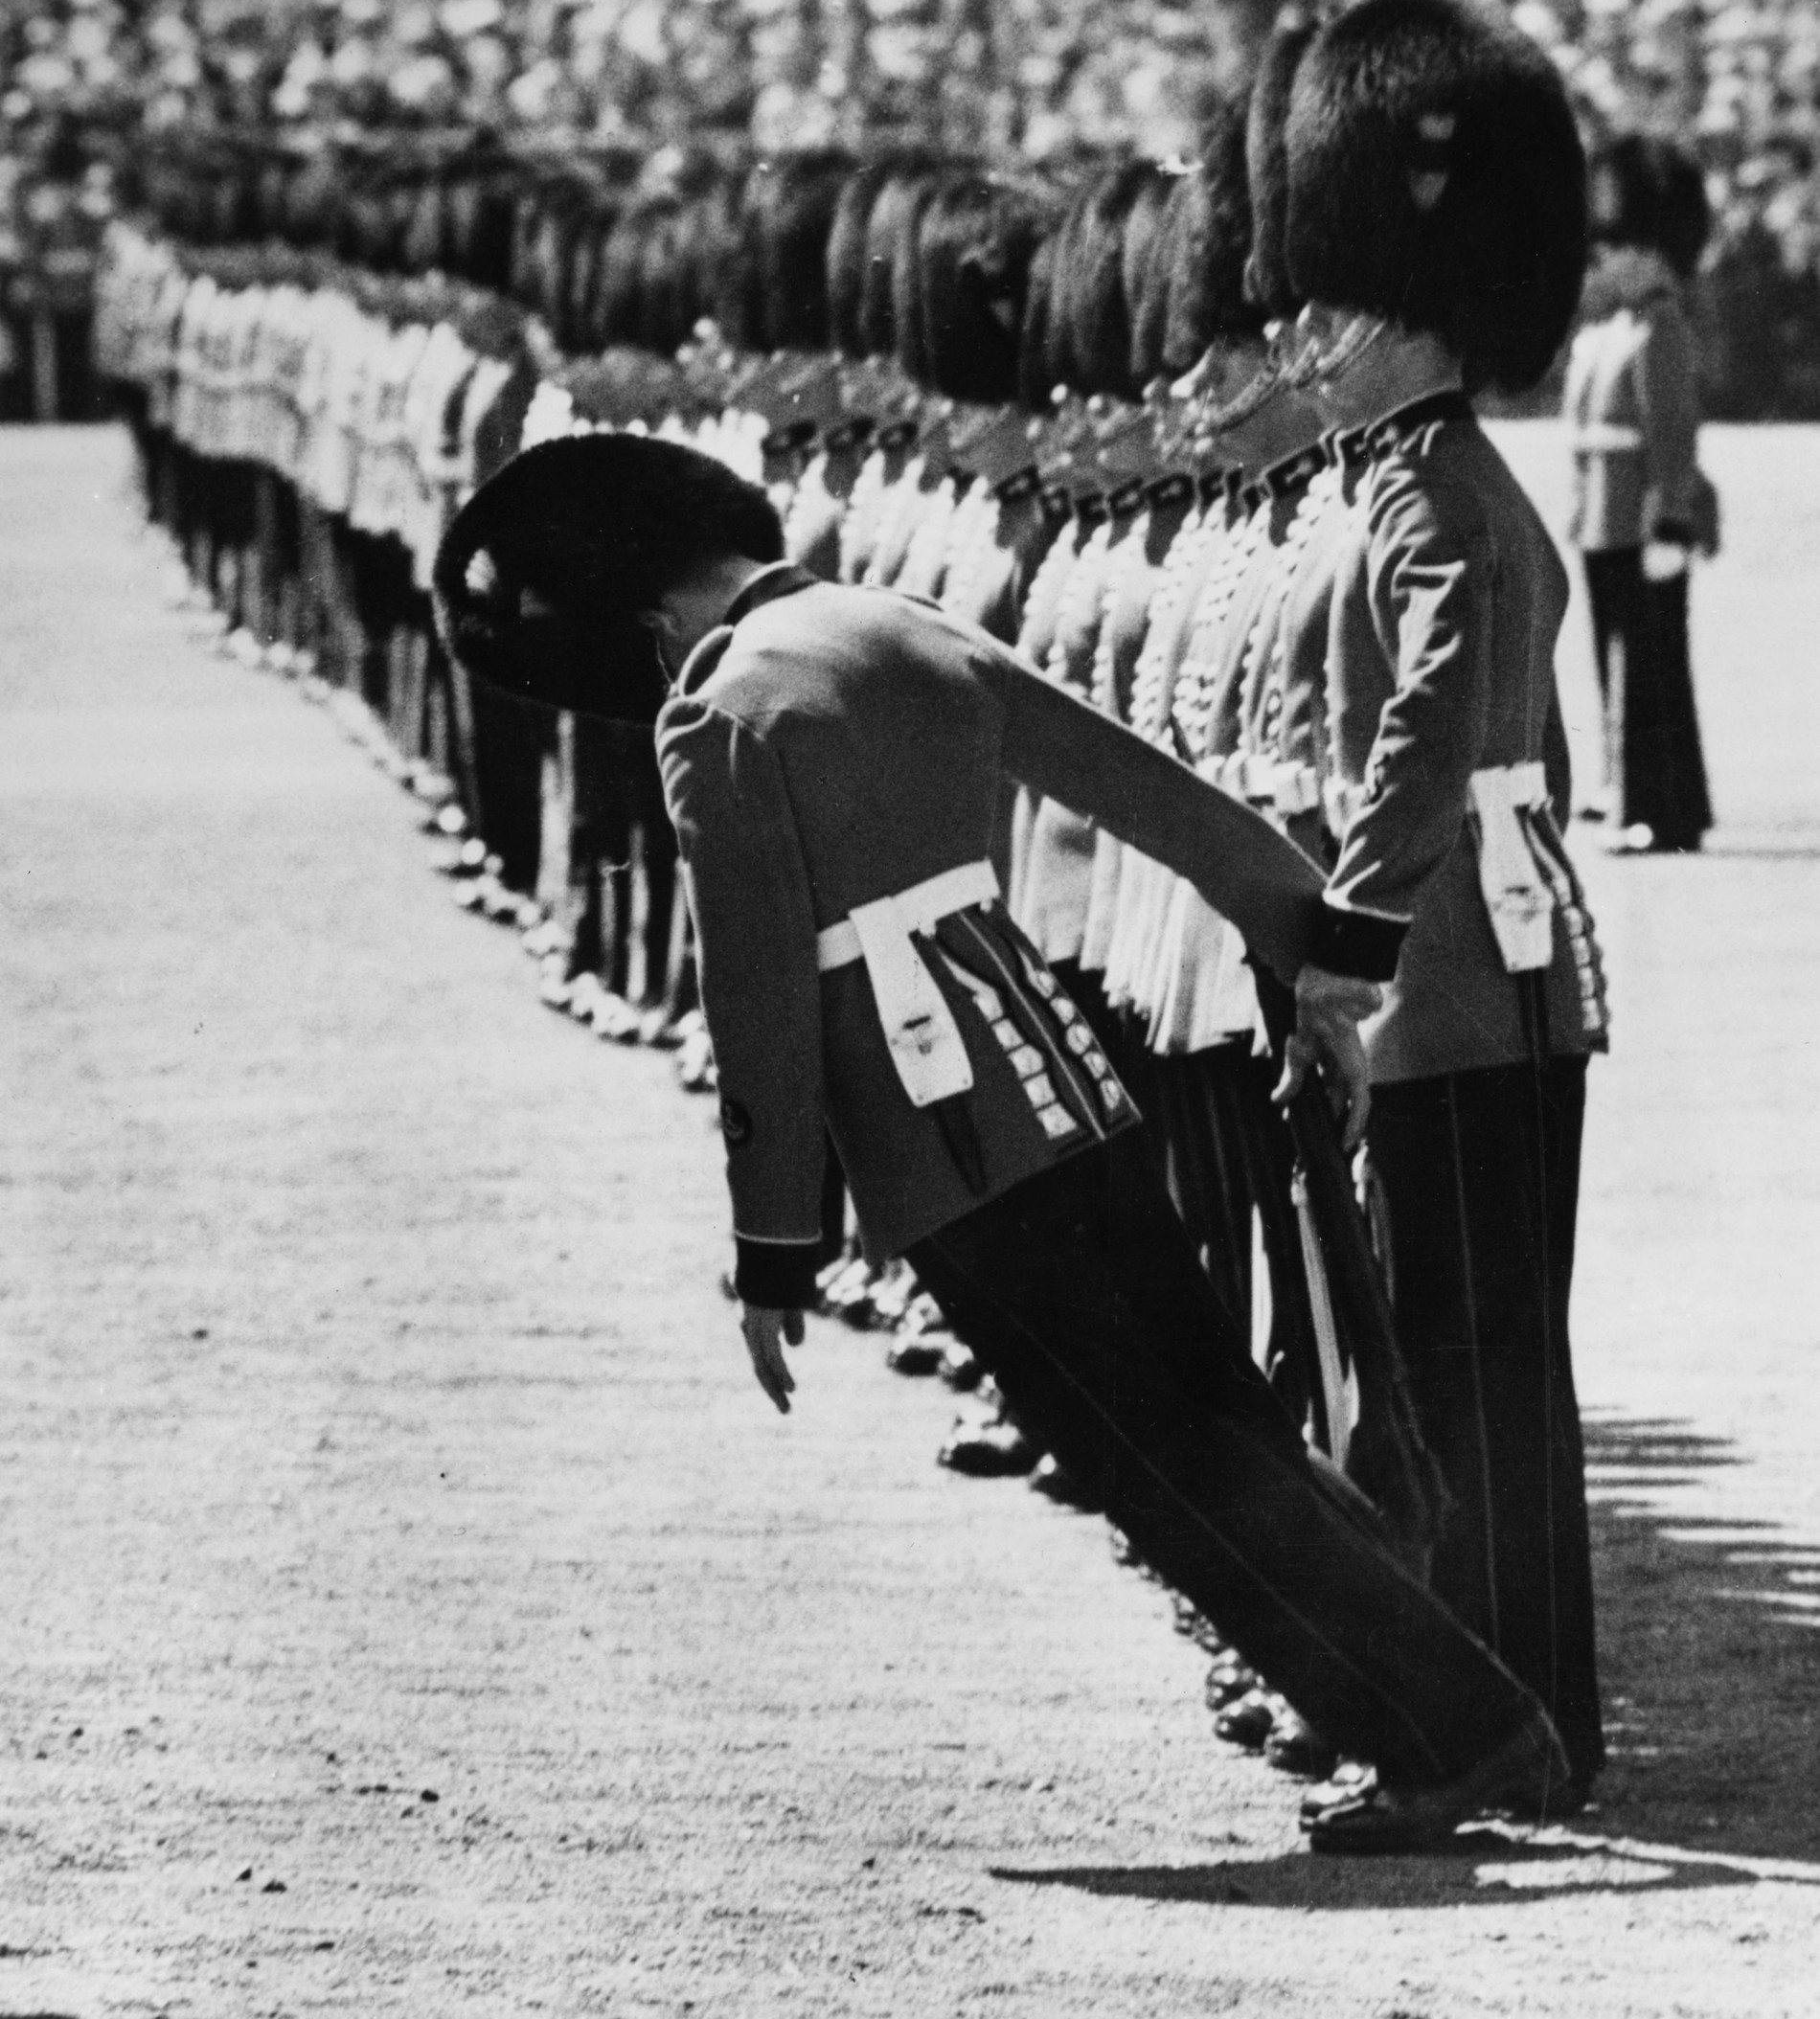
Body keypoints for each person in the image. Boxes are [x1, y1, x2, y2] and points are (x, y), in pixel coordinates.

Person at [434, 426, 1580, 1852]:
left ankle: (1444, 1736)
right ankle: (1479, 1717)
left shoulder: (716, 713)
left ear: (650, 615)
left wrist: (775, 1244)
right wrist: (1324, 963)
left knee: (1158, 1466)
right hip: (1069, 1083)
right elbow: (1166, 801)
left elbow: (762, 1007)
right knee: (1224, 1423)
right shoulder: (899, 623)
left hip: (942, 1145)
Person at [1281, 0, 1610, 1815]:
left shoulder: (1441, 503)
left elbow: (1425, 745)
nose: (1307, 342)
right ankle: (1520, 1718)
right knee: (1471, 1363)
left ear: (1405, 308)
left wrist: (1343, 950)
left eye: (1332, 309)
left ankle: (1490, 1728)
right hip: (1477, 978)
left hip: (1459, 986)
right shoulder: (1424, 485)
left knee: (1463, 1369)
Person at [1563, 132, 1718, 853]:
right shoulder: (1614, 329)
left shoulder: (1662, 329)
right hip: (1605, 522)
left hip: (1642, 524)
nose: (1608, 259)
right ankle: (1626, 786)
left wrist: (1672, 521)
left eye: (1622, 246)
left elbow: (1673, 436)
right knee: (1620, 667)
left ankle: (1661, 807)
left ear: (1656, 253)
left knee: (1652, 673)